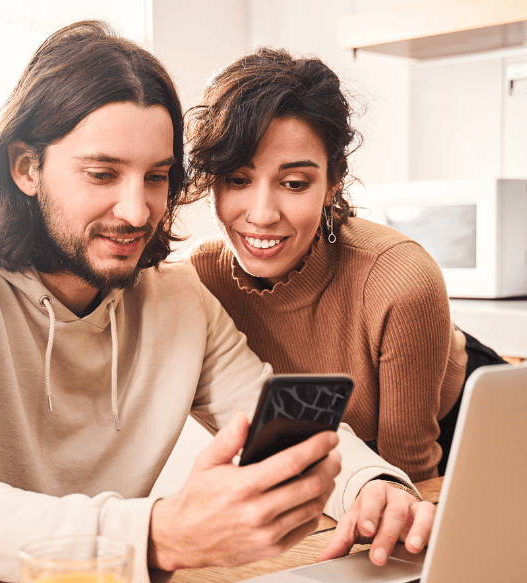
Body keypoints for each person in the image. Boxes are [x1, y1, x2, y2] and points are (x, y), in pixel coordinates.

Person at [0, 22, 428, 583]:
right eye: (102, 174)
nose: (135, 210)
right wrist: (161, 535)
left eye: (156, 178)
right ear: (27, 168)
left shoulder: (175, 301)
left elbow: (279, 422)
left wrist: (376, 486)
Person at [185, 48, 507, 547]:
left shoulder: (398, 277)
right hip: (347, 457)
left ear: (333, 182)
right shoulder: (205, 279)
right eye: (238, 181)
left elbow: (411, 475)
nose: (262, 213)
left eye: (294, 183)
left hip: (464, 431)